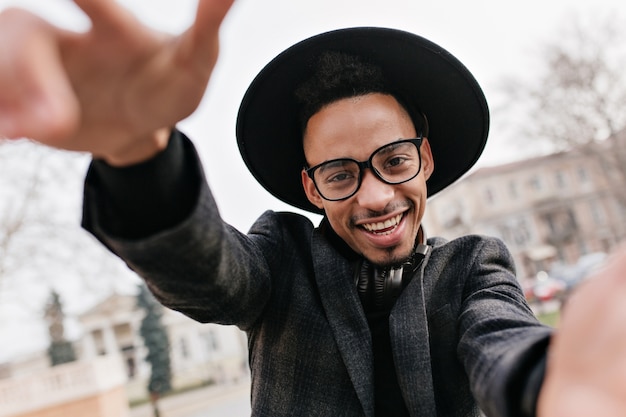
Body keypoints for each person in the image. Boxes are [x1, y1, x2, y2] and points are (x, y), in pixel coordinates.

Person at [1, 1, 626, 416]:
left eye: (395, 161)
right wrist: (137, 152)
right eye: (340, 174)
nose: (376, 196)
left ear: (426, 159)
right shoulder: (280, 259)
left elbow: (502, 338)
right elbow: (209, 272)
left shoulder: (474, 266)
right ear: (310, 188)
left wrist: (552, 385)